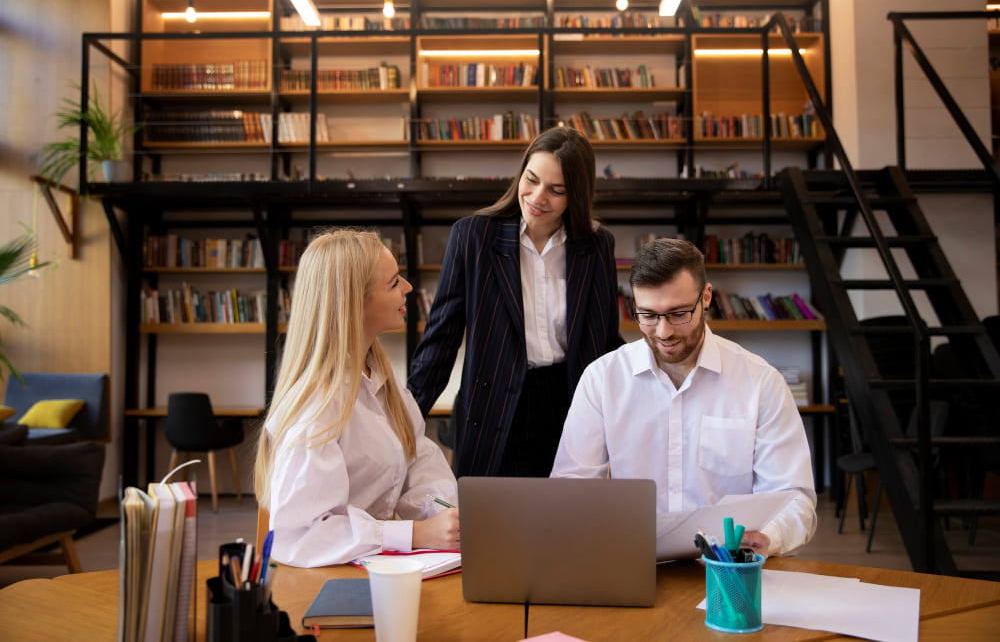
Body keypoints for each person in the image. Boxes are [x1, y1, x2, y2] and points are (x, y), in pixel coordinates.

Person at [551, 237, 817, 557]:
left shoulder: (761, 382)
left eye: (678, 314)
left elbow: (794, 498)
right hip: (633, 559)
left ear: (706, 297)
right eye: (648, 315)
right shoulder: (602, 379)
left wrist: (767, 536)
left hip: (729, 565)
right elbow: (572, 487)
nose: (664, 332)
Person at [407, 126, 624, 477]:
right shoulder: (473, 236)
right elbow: (440, 340)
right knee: (485, 510)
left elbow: (605, 341)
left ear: (577, 194)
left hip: (568, 403)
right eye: (531, 180)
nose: (537, 197)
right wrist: (401, 424)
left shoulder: (596, 246)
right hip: (491, 403)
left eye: (556, 190)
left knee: (563, 508)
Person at [254, 230, 459, 568]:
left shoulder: (385, 385)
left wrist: (450, 516)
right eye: (393, 283)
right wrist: (414, 534)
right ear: (354, 302)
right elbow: (302, 536)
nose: (408, 287)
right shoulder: (317, 405)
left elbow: (419, 467)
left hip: (370, 569)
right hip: (328, 581)